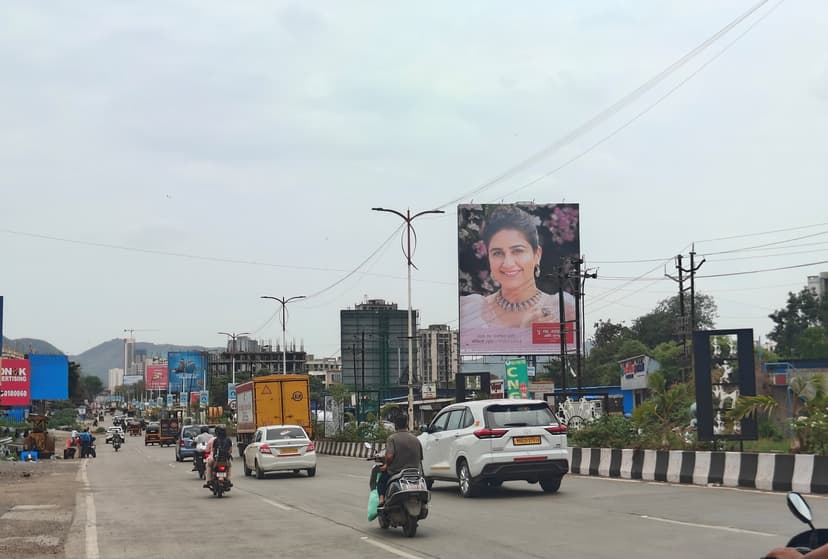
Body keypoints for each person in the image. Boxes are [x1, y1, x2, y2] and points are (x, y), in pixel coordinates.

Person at [460, 205, 576, 330]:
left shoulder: (562, 309)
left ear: (537, 255)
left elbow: (569, 348)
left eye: (517, 251)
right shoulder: (471, 310)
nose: (507, 263)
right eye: (497, 253)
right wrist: (525, 331)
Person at [376, 415, 423, 506]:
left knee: (381, 481)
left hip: (396, 472)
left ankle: (381, 500)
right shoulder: (416, 439)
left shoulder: (392, 438)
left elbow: (389, 456)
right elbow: (420, 457)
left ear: (395, 425)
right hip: (414, 473)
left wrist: (386, 465)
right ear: (406, 425)